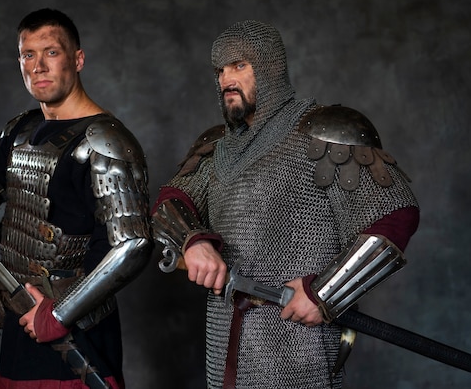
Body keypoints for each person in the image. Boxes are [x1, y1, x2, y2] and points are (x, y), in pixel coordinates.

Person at [151, 20, 419, 388]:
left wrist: (324, 292)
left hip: (298, 345)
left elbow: (395, 214)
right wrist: (191, 240)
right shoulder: (218, 148)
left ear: (270, 67)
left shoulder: (323, 131)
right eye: (220, 70)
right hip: (228, 344)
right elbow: (170, 202)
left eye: (239, 65)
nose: (227, 78)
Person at [0, 8, 153, 389]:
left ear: (78, 59)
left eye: (51, 52)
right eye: (28, 55)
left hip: (77, 339)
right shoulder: (23, 130)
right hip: (20, 331)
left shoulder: (105, 142)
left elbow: (132, 244)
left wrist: (60, 312)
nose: (38, 66)